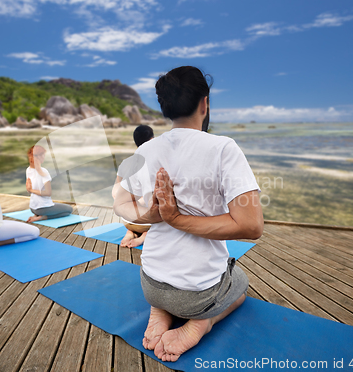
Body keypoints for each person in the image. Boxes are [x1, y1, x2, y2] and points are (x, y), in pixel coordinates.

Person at [113, 66, 263, 362]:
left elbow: (119, 203)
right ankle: (201, 323)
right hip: (199, 295)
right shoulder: (223, 148)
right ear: (204, 103)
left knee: (167, 291)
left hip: (150, 283)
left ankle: (161, 310)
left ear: (165, 107)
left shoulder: (146, 150)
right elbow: (251, 225)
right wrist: (174, 218)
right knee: (242, 286)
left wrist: (149, 215)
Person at [112, 125, 154, 247]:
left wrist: (127, 203)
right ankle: (145, 235)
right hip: (146, 222)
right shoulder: (151, 162)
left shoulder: (126, 163)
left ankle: (130, 231)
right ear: (152, 139)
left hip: (126, 220)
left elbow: (114, 192)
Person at [25, 145, 73, 223]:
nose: (44, 157)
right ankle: (42, 217)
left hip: (33, 208)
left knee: (56, 204)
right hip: (42, 208)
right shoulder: (44, 172)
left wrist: (30, 190)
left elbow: (29, 190)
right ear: (40, 156)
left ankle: (36, 215)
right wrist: (31, 190)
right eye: (43, 155)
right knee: (69, 210)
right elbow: (48, 193)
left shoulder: (28, 170)